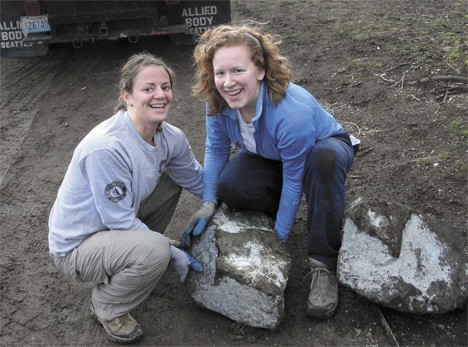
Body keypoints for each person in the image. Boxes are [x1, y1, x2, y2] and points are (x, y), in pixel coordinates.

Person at [182, 22, 359, 319]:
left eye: (238, 70)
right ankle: (271, 217)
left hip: (322, 147)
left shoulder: (291, 112)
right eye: (220, 73)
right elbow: (215, 150)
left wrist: (276, 242)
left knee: (322, 162)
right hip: (272, 154)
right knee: (231, 186)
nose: (228, 82)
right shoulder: (217, 102)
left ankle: (323, 263)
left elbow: (293, 177)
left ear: (260, 71)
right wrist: (208, 203)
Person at [48, 52, 204, 344]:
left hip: (115, 227)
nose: (160, 95)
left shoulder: (170, 138)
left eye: (165, 87)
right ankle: (106, 306)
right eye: (148, 89)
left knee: (173, 177)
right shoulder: (107, 147)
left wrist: (221, 202)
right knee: (156, 250)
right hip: (78, 247)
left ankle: (141, 253)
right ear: (127, 96)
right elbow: (116, 218)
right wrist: (167, 251)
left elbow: (197, 179)